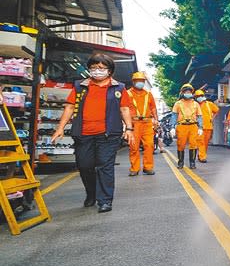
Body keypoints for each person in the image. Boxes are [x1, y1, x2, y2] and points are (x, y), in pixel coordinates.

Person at [51, 53, 135, 213]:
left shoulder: (119, 87)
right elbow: (69, 107)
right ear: (89, 69)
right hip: (83, 133)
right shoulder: (79, 86)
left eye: (102, 68)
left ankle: (105, 200)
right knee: (84, 165)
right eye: (94, 68)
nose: (97, 71)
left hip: (108, 134)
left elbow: (124, 109)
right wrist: (60, 127)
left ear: (109, 71)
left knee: (105, 166)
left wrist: (129, 129)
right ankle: (91, 193)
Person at [126, 71, 158, 176]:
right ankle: (134, 168)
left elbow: (153, 107)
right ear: (133, 82)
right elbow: (123, 109)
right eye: (138, 81)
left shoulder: (148, 94)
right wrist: (126, 124)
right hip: (134, 123)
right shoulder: (127, 93)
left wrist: (156, 119)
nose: (140, 82)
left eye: (142, 81)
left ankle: (148, 167)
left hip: (147, 122)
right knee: (134, 146)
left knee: (149, 145)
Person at [171, 83, 202, 169]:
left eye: (189, 92)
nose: (188, 93)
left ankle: (192, 163)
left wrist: (200, 127)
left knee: (193, 144)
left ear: (192, 93)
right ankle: (180, 162)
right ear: (182, 92)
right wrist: (172, 127)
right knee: (181, 144)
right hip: (182, 126)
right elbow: (174, 115)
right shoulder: (178, 104)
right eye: (186, 91)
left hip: (193, 126)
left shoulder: (196, 104)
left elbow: (199, 116)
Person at [194, 89, 219, 163]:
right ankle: (202, 157)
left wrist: (212, 118)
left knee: (205, 143)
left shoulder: (209, 104)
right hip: (199, 127)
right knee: (200, 142)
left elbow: (216, 110)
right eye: (198, 96)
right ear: (196, 97)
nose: (199, 97)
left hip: (208, 126)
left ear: (203, 96)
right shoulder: (195, 105)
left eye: (201, 96)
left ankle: (201, 154)